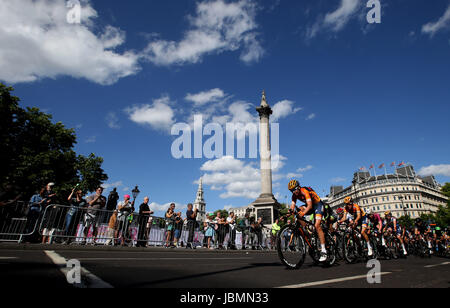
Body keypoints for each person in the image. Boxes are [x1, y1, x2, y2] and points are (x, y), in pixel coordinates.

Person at [288, 179, 328, 262]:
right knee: (298, 211)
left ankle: (324, 250)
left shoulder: (304, 191)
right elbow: (292, 206)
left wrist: (303, 214)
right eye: (291, 191)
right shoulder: (294, 195)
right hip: (309, 205)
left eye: (294, 190)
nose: (293, 192)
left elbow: (309, 206)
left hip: (317, 205)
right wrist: (290, 212)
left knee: (317, 225)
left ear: (298, 187)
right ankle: (307, 230)